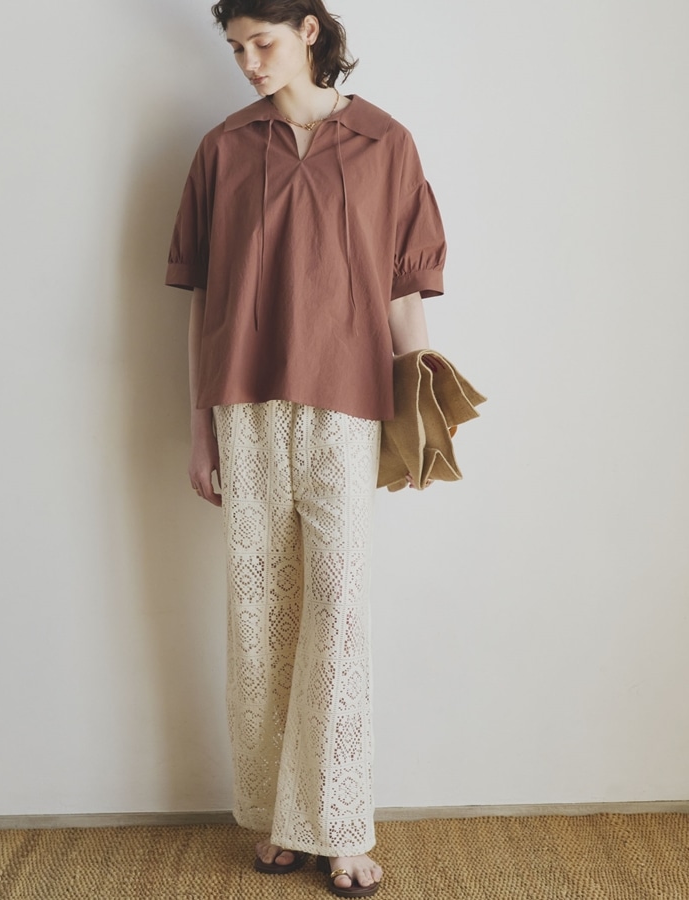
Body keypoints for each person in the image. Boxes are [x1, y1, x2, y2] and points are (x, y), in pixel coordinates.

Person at [165, 1, 446, 895]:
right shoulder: (222, 149)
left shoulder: (386, 144)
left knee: (338, 610)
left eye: (264, 42)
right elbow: (202, 306)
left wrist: (421, 407)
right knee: (260, 613)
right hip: (244, 408)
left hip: (348, 407)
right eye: (236, 47)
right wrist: (200, 427)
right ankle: (277, 818)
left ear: (310, 33)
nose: (249, 61)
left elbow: (404, 293)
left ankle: (341, 823)